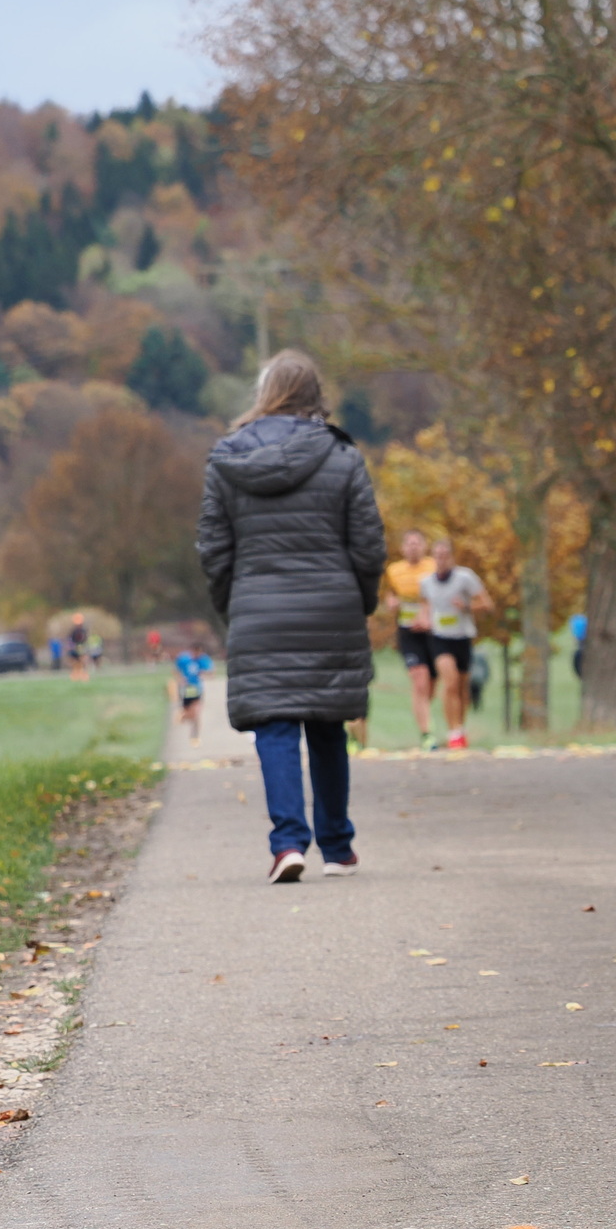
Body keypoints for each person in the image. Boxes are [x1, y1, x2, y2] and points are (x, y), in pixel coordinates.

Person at [197, 349, 386, 882]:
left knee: (274, 726)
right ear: (315, 394)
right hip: (331, 607)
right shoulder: (342, 455)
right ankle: (338, 847)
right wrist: (361, 600)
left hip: (258, 608)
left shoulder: (227, 459)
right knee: (327, 724)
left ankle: (287, 844)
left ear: (265, 393)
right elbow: (368, 545)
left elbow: (213, 548)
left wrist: (233, 604)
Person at [417, 538, 492, 751]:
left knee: (461, 688)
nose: (441, 560)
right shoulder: (426, 582)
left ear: (451, 557)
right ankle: (453, 733)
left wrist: (467, 606)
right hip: (439, 638)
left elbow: (486, 604)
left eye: (445, 556)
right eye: (437, 556)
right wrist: (424, 619)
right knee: (449, 683)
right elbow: (425, 606)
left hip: (462, 637)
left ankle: (460, 728)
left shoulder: (465, 578)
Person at [382, 529, 439, 750]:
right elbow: (389, 594)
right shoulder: (393, 571)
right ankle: (427, 734)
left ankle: (424, 714)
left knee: (431, 685)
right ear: (403, 548)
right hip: (408, 631)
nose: (413, 547)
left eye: (417, 543)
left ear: (424, 546)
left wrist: (428, 616)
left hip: (433, 631)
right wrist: (391, 604)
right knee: (419, 680)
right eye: (409, 543)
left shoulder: (433, 566)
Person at [172, 645, 213, 741]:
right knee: (189, 713)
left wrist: (204, 673)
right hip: (186, 689)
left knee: (196, 713)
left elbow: (211, 673)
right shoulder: (183, 659)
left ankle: (195, 736)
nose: (197, 655)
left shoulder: (203, 659)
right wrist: (180, 679)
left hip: (197, 689)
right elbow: (175, 670)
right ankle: (182, 716)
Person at [67, 613, 89, 681]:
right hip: (75, 648)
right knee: (75, 661)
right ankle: (75, 673)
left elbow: (85, 639)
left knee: (82, 661)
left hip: (81, 647)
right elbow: (71, 639)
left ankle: (83, 674)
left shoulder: (83, 630)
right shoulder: (74, 631)